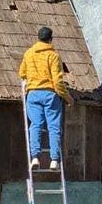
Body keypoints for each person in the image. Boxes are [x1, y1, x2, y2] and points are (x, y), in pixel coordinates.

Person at [19, 26, 73, 170]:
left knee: (35, 125)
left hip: (33, 94)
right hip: (50, 94)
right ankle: (54, 160)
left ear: (38, 38)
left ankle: (35, 158)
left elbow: (22, 73)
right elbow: (58, 82)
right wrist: (68, 98)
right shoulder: (53, 56)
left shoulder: (29, 54)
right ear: (50, 39)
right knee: (53, 127)